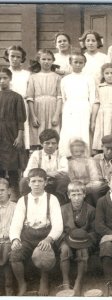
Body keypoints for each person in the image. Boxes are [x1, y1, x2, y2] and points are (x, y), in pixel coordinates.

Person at [9, 168, 63, 296]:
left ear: (45, 182)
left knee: (43, 255)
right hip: (27, 237)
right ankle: (22, 284)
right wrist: (15, 239)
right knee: (14, 255)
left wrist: (49, 239)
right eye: (33, 181)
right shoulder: (23, 200)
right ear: (28, 183)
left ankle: (44, 280)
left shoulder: (52, 199)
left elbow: (58, 225)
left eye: (40, 181)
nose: (37, 184)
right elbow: (16, 223)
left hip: (45, 236)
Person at [58, 181, 97, 296]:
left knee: (82, 250)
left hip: (85, 241)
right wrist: (68, 240)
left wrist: (84, 239)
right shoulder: (62, 209)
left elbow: (94, 232)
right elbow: (58, 230)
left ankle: (78, 281)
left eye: (79, 194)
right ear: (69, 195)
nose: (76, 198)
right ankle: (65, 281)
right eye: (73, 195)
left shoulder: (91, 210)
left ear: (84, 194)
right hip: (66, 239)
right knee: (64, 250)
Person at [59, 51, 96, 157]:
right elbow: (63, 97)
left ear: (84, 64)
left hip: (84, 107)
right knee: (68, 133)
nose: (78, 64)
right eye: (76, 62)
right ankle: (66, 158)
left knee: (82, 132)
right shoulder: (65, 79)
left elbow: (92, 97)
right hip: (69, 108)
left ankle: (83, 158)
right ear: (70, 63)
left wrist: (91, 113)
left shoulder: (89, 78)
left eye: (81, 62)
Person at [20, 129, 69, 205]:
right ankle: (28, 203)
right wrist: (46, 174)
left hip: (56, 184)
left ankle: (59, 202)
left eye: (53, 143)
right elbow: (27, 173)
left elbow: (66, 170)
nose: (50, 146)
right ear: (41, 144)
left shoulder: (61, 154)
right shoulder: (36, 154)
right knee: (24, 181)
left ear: (57, 144)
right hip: (40, 182)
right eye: (47, 143)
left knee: (65, 178)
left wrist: (54, 174)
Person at [0, 67, 26, 201]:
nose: (2, 81)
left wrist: (20, 136)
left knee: (12, 166)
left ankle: (15, 196)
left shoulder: (16, 97)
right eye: (0, 78)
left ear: (10, 79)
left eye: (4, 78)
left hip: (11, 135)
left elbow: (21, 119)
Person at [27, 49, 62, 149]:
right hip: (38, 108)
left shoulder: (57, 77)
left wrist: (56, 115)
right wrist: (33, 116)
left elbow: (60, 97)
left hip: (53, 107)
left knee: (53, 133)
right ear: (39, 60)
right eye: (43, 59)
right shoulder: (33, 77)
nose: (46, 61)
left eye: (49, 59)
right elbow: (30, 98)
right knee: (37, 133)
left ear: (53, 61)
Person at [4, 45, 30, 151]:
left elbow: (29, 92)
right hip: (7, 105)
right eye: (12, 56)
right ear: (7, 57)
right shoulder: (4, 74)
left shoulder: (27, 74)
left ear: (22, 58)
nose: (15, 59)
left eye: (18, 57)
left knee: (23, 129)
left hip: (23, 105)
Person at [68, 138, 101, 207]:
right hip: (76, 185)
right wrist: (78, 185)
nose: (79, 154)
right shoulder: (70, 163)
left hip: (90, 185)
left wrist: (87, 186)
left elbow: (94, 177)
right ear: (72, 152)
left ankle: (96, 208)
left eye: (82, 151)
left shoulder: (89, 161)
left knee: (94, 191)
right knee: (75, 191)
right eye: (76, 151)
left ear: (85, 151)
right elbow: (71, 178)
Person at [0, 178, 16, 295]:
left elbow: (17, 227)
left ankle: (8, 286)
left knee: (7, 251)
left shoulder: (16, 207)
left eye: (2, 190)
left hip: (9, 240)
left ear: (9, 191)